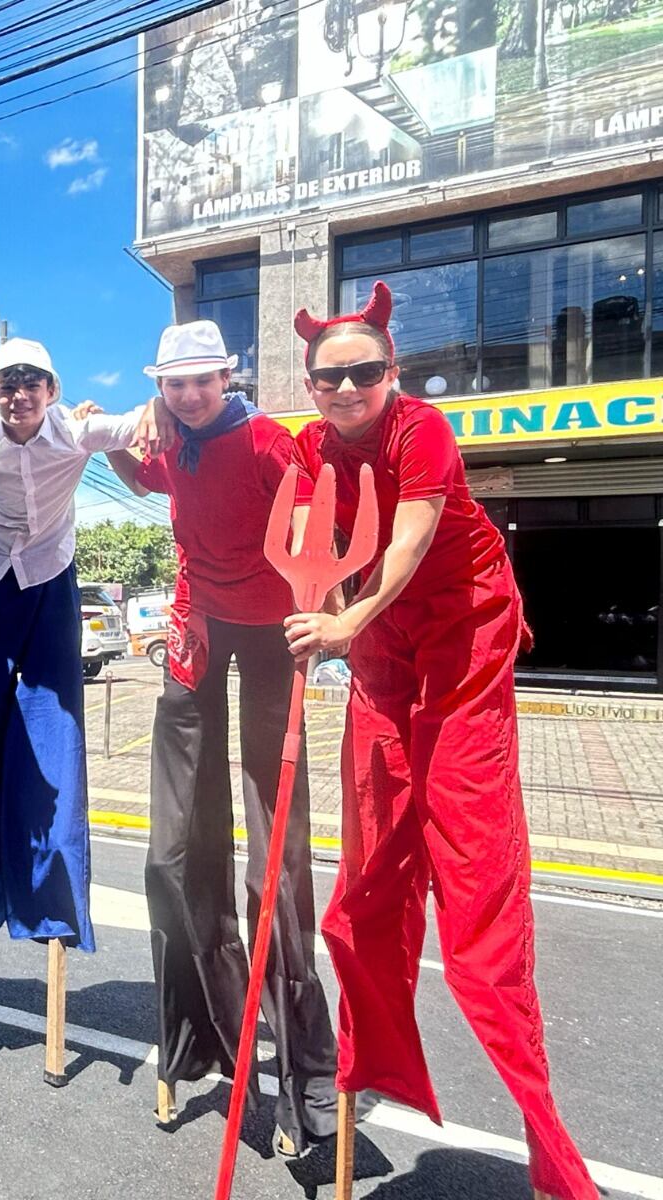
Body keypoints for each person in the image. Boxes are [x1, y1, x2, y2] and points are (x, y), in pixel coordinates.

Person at [285, 282, 597, 1200]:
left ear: (393, 371)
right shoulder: (308, 443)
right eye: (329, 376)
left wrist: (352, 617)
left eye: (364, 372)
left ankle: (550, 1150)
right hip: (383, 653)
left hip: (461, 638)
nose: (347, 389)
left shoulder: (420, 428)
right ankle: (370, 1070)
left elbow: (414, 531)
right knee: (365, 889)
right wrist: (147, 440)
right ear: (308, 383)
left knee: (478, 898)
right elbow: (296, 526)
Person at [102, 321, 337, 1152]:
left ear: (228, 376)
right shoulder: (172, 436)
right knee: (172, 854)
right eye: (175, 385)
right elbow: (139, 474)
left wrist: (332, 615)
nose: (191, 396)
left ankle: (306, 1079)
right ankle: (202, 1038)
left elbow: (324, 526)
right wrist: (122, 434)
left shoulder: (269, 441)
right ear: (161, 387)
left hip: (277, 631)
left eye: (203, 381)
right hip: (198, 630)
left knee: (279, 858)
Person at [0, 338, 141, 953]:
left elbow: (154, 418)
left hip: (51, 574)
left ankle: (54, 903)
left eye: (32, 383)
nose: (19, 395)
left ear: (53, 392)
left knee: (58, 729)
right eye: (6, 385)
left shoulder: (78, 431)